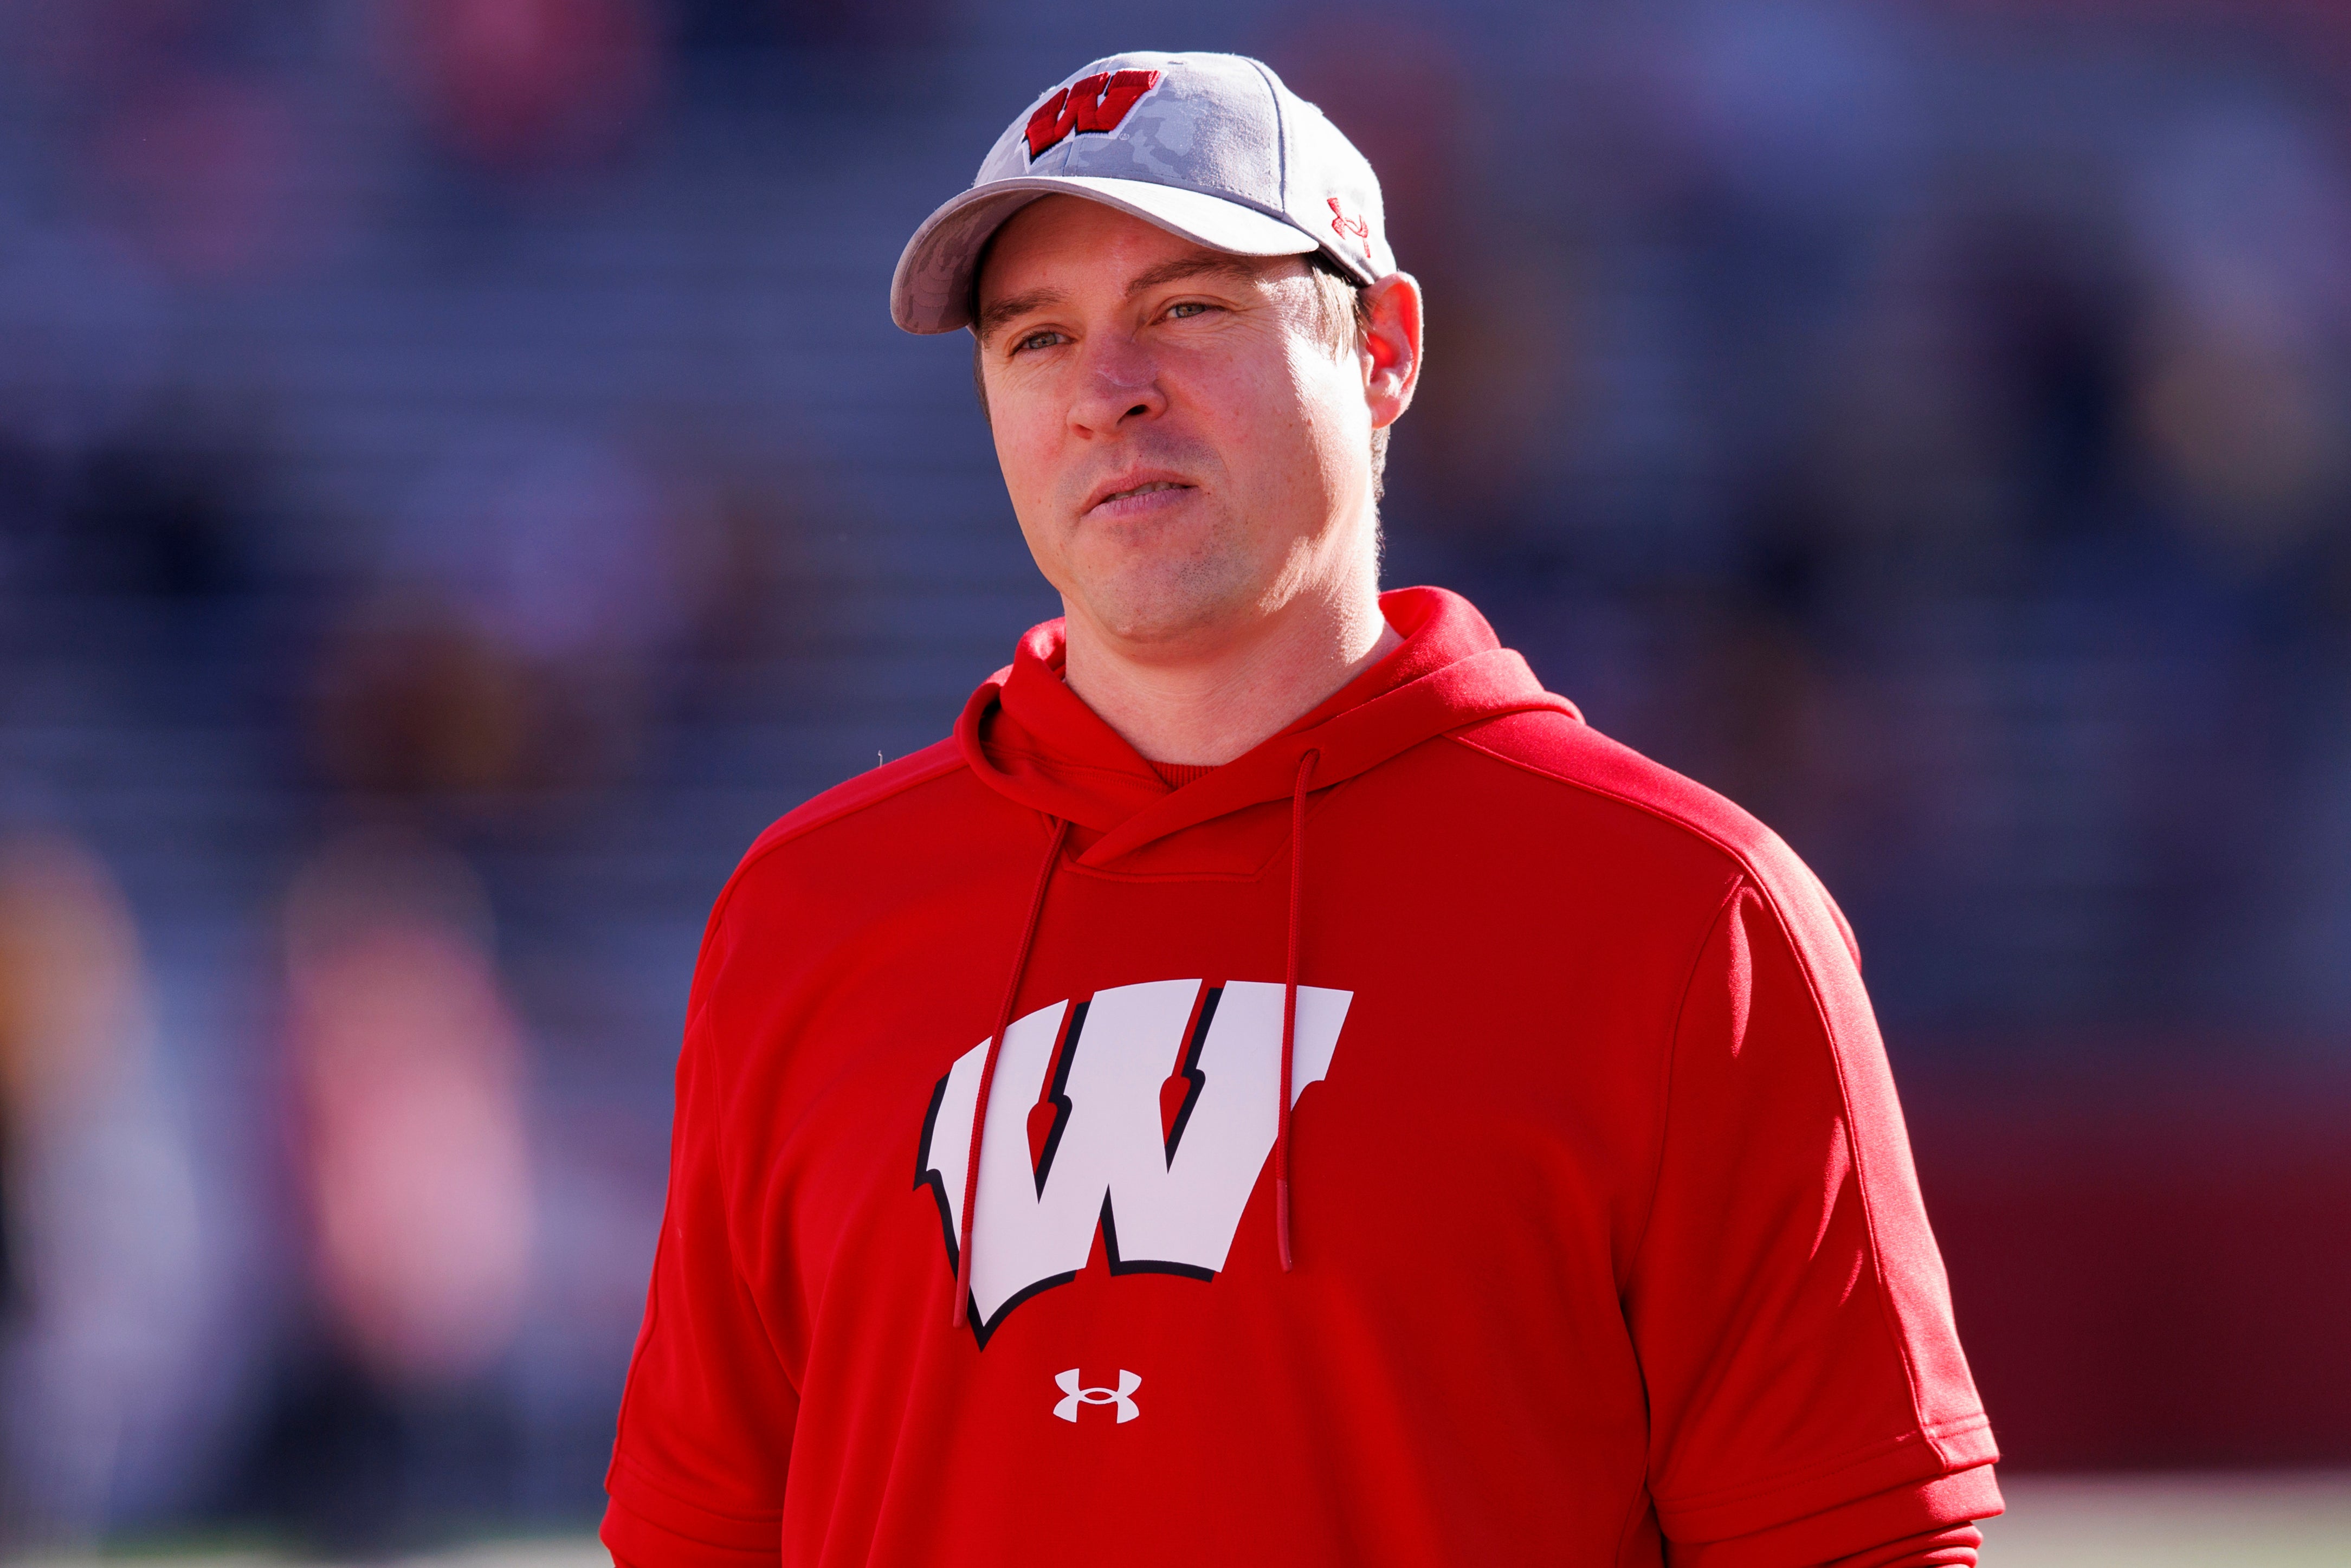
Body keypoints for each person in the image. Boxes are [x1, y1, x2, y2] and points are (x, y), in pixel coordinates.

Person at [603, 51, 1999, 1568]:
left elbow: (1850, 1544)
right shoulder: (808, 916)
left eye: (1187, 308)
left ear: (1384, 347)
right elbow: (702, 1536)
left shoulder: (1687, 921)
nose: (1104, 392)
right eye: (1034, 338)